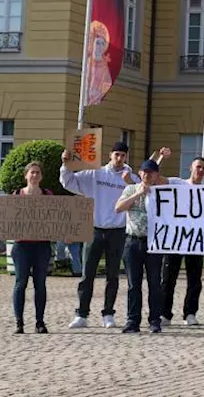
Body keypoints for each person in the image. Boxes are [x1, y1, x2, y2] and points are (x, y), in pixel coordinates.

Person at [61, 140, 138, 329]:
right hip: (95, 229)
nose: (119, 158)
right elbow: (69, 182)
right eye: (116, 154)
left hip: (118, 231)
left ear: (126, 157)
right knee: (87, 273)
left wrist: (131, 184)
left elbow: (143, 196)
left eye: (123, 155)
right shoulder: (96, 173)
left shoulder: (131, 177)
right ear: (110, 155)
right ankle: (81, 313)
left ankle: (108, 313)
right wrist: (65, 164)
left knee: (112, 275)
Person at [114, 158, 167, 333]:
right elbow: (119, 208)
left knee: (154, 284)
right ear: (140, 173)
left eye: (151, 172)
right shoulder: (130, 189)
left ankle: (154, 320)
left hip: (154, 243)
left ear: (156, 175)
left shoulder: (162, 193)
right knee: (133, 284)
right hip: (133, 241)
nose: (147, 175)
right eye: (144, 171)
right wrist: (138, 194)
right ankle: (132, 320)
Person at [161, 155, 204, 327]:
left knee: (194, 279)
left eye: (203, 168)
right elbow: (155, 178)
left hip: (195, 240)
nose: (200, 170)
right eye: (198, 167)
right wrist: (161, 158)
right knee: (168, 278)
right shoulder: (177, 183)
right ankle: (165, 314)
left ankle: (190, 313)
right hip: (174, 238)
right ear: (191, 168)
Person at [11, 162, 53, 334]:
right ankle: (19, 322)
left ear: (41, 177)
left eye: (37, 173)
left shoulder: (48, 196)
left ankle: (40, 322)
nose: (34, 176)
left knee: (40, 284)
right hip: (22, 245)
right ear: (26, 175)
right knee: (20, 283)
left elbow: (56, 219)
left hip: (42, 245)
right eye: (32, 173)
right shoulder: (16, 195)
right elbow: (7, 219)